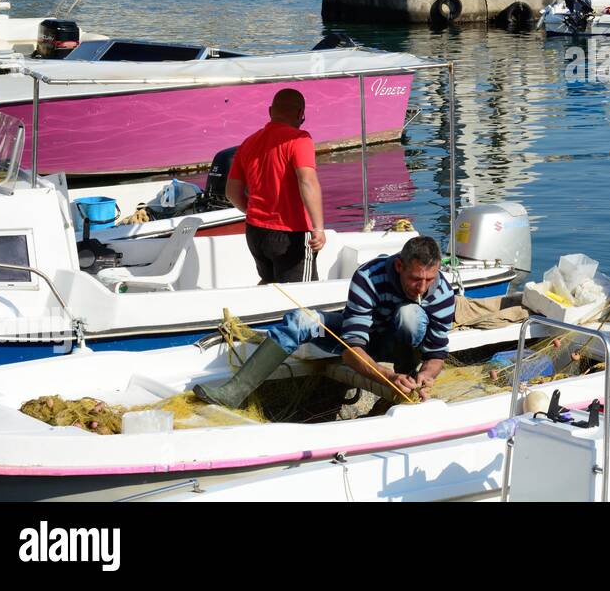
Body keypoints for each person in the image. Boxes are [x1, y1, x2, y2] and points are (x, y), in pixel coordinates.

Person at [193, 236, 454, 408]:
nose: (421, 288)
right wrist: (387, 375)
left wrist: (425, 376)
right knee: (301, 320)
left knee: (410, 315)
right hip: (365, 339)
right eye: (415, 279)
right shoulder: (368, 277)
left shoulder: (442, 292)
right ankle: (235, 392)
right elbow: (351, 347)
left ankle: (407, 383)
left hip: (402, 345)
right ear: (399, 266)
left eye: (429, 280)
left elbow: (437, 353)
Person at [227, 88, 325, 284]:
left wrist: (254, 211)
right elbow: (307, 181)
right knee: (302, 296)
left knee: (270, 283)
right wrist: (318, 228)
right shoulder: (299, 139)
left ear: (270, 111)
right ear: (300, 114)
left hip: (256, 232)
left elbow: (231, 192)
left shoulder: (249, 142)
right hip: (291, 233)